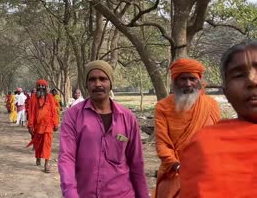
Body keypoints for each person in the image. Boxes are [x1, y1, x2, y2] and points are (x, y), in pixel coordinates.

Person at [58, 60, 149, 198]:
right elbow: (67, 157)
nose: (98, 84)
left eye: (103, 79)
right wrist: (70, 192)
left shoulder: (128, 118)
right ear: (86, 84)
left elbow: (136, 163)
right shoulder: (74, 115)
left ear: (110, 83)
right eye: (92, 79)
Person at [180, 40, 257, 197]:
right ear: (226, 92)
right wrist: (171, 163)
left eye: (192, 79)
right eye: (239, 75)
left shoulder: (210, 104)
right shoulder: (205, 145)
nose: (252, 81)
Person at [154, 58, 221, 198]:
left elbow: (218, 142)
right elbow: (162, 144)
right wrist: (177, 166)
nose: (188, 83)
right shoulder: (162, 107)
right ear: (175, 81)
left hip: (206, 174)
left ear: (199, 81)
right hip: (174, 173)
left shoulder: (211, 105)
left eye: (192, 78)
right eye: (182, 79)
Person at [26, 79, 59, 173]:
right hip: (37, 126)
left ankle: (46, 164)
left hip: (48, 125)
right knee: (38, 144)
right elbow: (31, 112)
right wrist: (30, 125)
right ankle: (38, 157)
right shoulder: (33, 98)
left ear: (46, 88)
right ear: (37, 87)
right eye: (39, 86)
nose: (41, 87)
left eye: (43, 86)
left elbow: (53, 111)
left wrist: (56, 123)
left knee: (47, 144)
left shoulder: (49, 97)